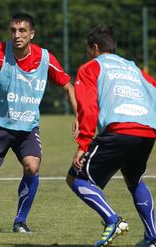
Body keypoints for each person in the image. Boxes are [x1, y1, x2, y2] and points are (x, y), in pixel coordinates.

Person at [0, 12, 78, 234]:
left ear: (32, 34)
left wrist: (78, 114)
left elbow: (67, 85)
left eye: (22, 31)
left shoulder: (46, 58)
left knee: (32, 166)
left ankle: (20, 220)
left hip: (28, 127)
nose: (17, 35)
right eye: (13, 30)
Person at [66, 24, 156, 247]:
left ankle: (112, 220)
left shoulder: (91, 67)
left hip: (119, 130)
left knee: (76, 178)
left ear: (94, 47)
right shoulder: (134, 69)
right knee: (134, 180)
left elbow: (87, 107)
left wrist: (83, 143)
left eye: (89, 50)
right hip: (147, 131)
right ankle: (153, 237)